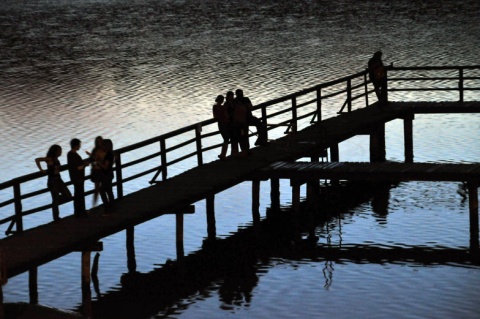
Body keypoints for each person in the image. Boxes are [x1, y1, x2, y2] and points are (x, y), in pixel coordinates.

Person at [35, 144, 72, 221]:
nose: (60, 152)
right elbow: (37, 159)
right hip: (53, 180)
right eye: (59, 151)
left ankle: (56, 207)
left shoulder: (56, 159)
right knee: (55, 199)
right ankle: (56, 218)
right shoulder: (49, 159)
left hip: (59, 179)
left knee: (68, 196)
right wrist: (41, 169)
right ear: (55, 151)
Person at [67, 138, 90, 218]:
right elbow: (77, 167)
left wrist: (83, 163)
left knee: (78, 194)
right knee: (79, 195)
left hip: (76, 177)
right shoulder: (72, 155)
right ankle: (80, 212)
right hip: (78, 178)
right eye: (79, 145)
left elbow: (76, 165)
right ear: (76, 145)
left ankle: (79, 212)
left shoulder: (71, 154)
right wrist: (85, 165)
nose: (80, 146)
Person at [98, 138, 115, 214]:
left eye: (103, 145)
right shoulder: (110, 153)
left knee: (102, 191)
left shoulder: (108, 155)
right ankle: (111, 207)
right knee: (109, 191)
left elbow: (105, 167)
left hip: (106, 175)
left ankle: (107, 207)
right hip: (109, 174)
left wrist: (99, 162)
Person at [88, 136, 106, 205]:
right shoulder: (95, 150)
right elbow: (91, 160)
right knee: (97, 188)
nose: (99, 143)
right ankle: (94, 204)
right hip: (97, 171)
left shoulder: (104, 150)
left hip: (102, 170)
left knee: (102, 188)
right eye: (98, 142)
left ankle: (103, 202)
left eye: (100, 142)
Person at [233, 89, 251, 157]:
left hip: (243, 122)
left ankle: (245, 151)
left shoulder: (237, 102)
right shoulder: (237, 102)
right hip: (240, 123)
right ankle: (244, 151)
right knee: (242, 137)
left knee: (244, 136)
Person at [212, 94, 230, 160]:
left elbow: (215, 116)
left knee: (226, 138)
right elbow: (226, 115)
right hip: (224, 123)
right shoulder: (222, 107)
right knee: (226, 138)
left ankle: (223, 154)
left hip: (221, 124)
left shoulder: (215, 107)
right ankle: (223, 154)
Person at [224, 91, 238, 157]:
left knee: (235, 137)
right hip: (230, 122)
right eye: (231, 96)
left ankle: (234, 152)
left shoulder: (232, 102)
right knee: (233, 137)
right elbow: (226, 111)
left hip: (233, 121)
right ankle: (233, 152)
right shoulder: (227, 103)